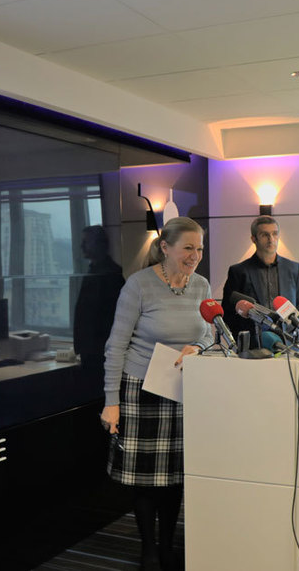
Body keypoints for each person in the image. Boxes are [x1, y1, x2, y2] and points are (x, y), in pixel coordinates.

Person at [99, 216, 213, 571]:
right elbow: (116, 346)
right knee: (146, 479)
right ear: (165, 247)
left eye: (200, 249)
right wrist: (111, 402)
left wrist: (198, 346)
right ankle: (148, 549)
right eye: (188, 248)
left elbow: (210, 333)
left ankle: (167, 547)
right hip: (142, 389)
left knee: (175, 476)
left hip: (182, 388)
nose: (195, 256)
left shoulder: (202, 285)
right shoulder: (139, 285)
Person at [221, 215, 299, 348]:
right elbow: (229, 311)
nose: (271, 239)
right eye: (265, 235)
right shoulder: (238, 271)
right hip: (253, 346)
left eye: (274, 234)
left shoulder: (293, 269)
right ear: (253, 239)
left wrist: (285, 332)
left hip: (288, 345)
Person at [73, 225, 124, 386]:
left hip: (100, 353)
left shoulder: (110, 274)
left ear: (99, 244)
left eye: (86, 242)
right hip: (93, 351)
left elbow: (109, 317)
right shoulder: (96, 271)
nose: (82, 246)